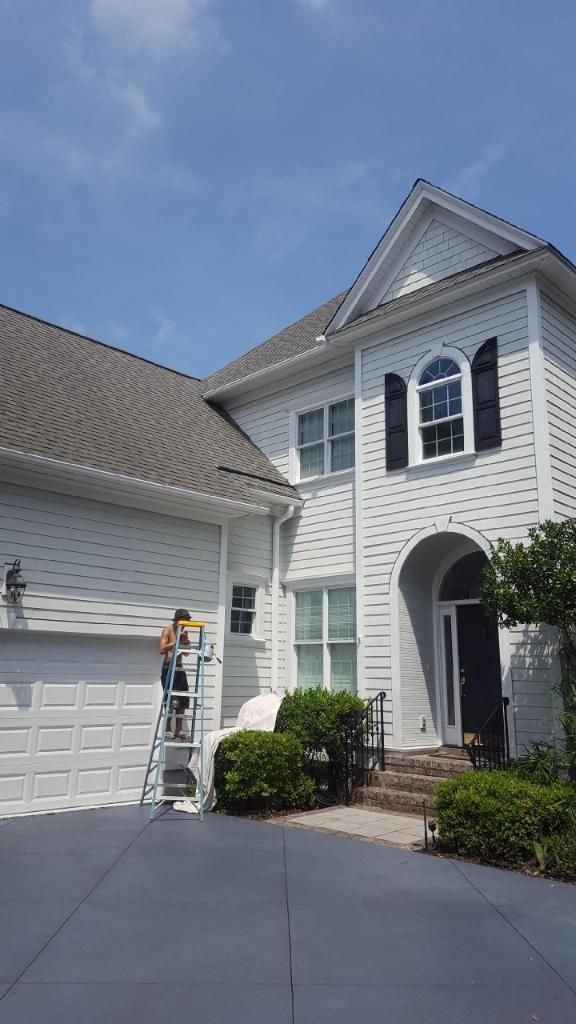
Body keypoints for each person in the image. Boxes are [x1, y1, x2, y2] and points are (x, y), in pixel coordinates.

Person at [159, 608, 192, 741]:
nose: (184, 625)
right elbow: (161, 649)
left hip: (179, 667)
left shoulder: (184, 631)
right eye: (183, 622)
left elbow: (186, 653)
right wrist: (176, 640)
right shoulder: (167, 630)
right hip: (168, 667)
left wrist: (186, 643)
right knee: (170, 700)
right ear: (177, 620)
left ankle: (178, 730)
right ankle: (168, 729)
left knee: (182, 700)